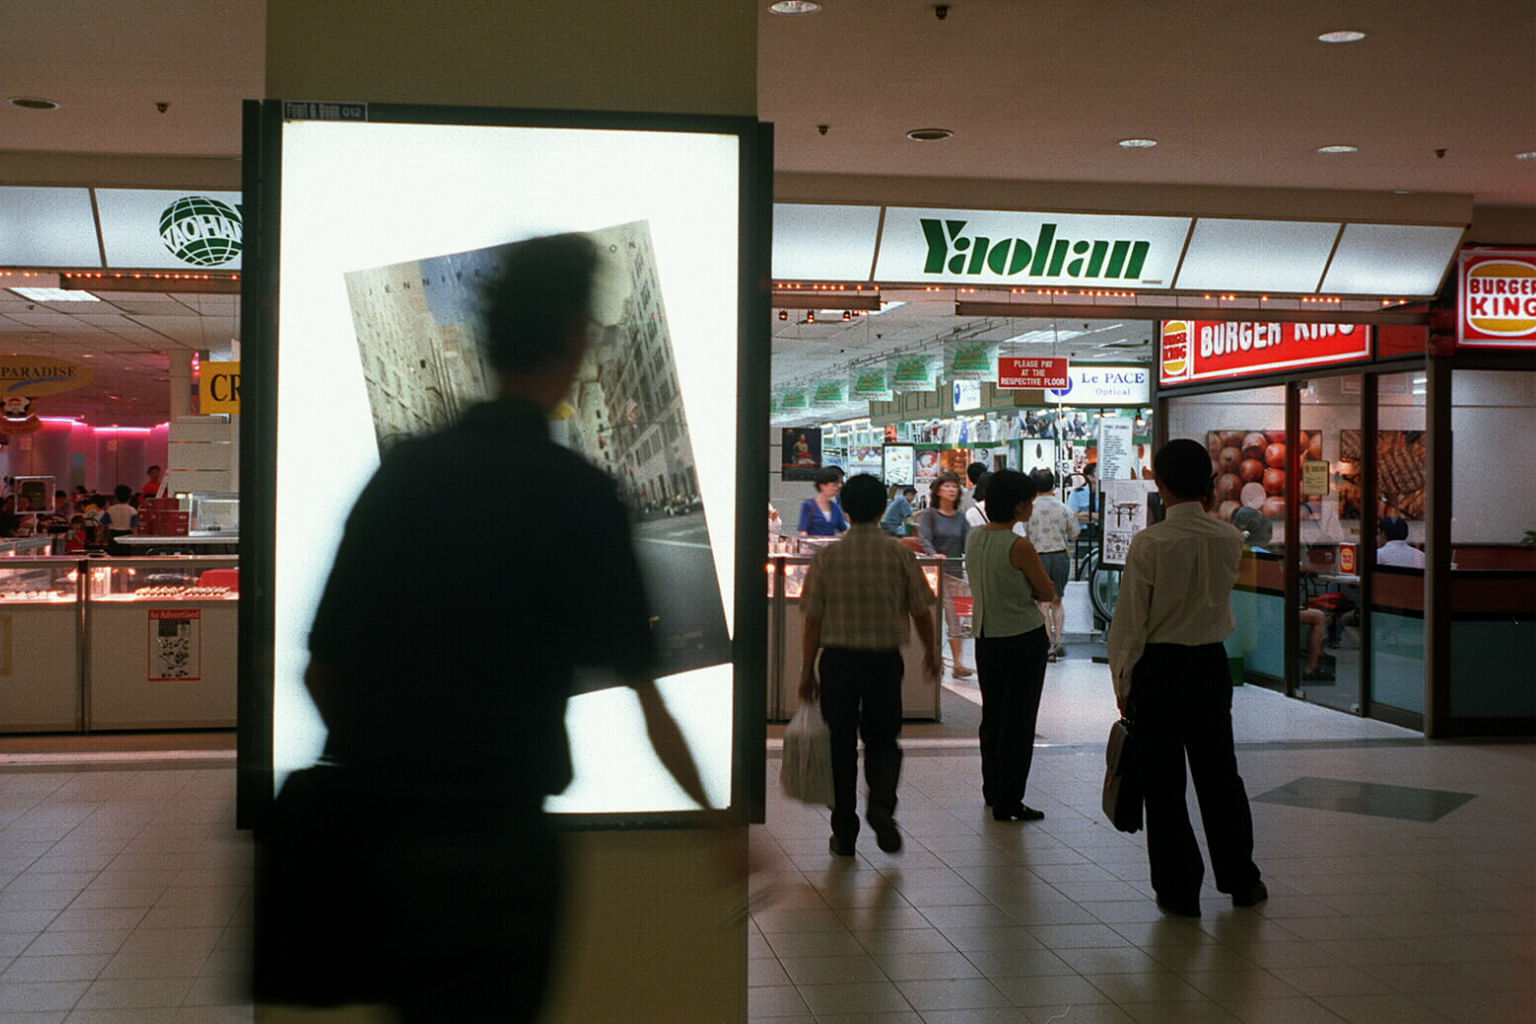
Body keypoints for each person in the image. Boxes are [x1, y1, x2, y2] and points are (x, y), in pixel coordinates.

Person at [259, 233, 709, 1022]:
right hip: (507, 853)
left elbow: (319, 668)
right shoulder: (577, 496)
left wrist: (397, 765)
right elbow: (648, 698)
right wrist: (722, 823)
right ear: (572, 333)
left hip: (394, 852)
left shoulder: (404, 476)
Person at [1108, 439, 1266, 918]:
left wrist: (1124, 682)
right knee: (1220, 775)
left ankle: (1179, 890)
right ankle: (1240, 878)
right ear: (1208, 482)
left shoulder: (1150, 542)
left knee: (1164, 783)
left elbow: (1131, 622)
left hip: (1158, 670)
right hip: (1209, 667)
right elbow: (1226, 608)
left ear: (1159, 482)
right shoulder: (1228, 539)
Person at [798, 473, 940, 857]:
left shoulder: (828, 557)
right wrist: (931, 652)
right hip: (883, 662)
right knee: (882, 740)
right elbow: (920, 611)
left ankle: (844, 828)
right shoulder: (899, 554)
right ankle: (880, 805)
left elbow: (812, 618)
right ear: (882, 509)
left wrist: (805, 670)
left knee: (839, 745)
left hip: (838, 663)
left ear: (845, 509)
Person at [965, 469, 1056, 821]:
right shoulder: (1019, 545)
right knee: (1018, 722)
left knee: (993, 718)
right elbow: (1045, 590)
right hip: (1023, 638)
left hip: (986, 637)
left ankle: (992, 790)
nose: (1032, 508)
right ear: (1019, 505)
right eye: (1030, 502)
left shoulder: (974, 538)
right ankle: (1010, 799)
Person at [918, 470, 972, 676]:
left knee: (954, 619)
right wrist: (934, 555)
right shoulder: (929, 515)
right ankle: (933, 657)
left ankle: (958, 663)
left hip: (955, 574)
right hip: (934, 574)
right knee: (932, 618)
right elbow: (925, 540)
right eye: (947, 486)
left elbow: (969, 542)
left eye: (955, 486)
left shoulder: (960, 518)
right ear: (938, 490)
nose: (951, 490)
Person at [1027, 469, 1079, 661]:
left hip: (1037, 557)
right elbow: (1075, 534)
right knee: (1058, 600)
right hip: (1060, 556)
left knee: (1042, 602)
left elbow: (1021, 535)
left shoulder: (1028, 509)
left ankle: (1046, 645)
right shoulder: (1064, 508)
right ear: (1053, 486)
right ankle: (1059, 641)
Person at [798, 466, 849, 536]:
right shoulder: (808, 505)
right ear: (823, 485)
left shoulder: (835, 507)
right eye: (834, 485)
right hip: (813, 545)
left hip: (831, 545)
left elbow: (843, 530)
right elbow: (803, 531)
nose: (837, 488)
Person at [101, 485, 138, 554]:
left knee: (114, 556)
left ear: (116, 497)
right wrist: (134, 540)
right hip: (127, 536)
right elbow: (134, 527)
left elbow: (103, 525)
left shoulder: (110, 509)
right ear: (129, 498)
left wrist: (102, 538)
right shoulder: (132, 510)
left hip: (113, 535)